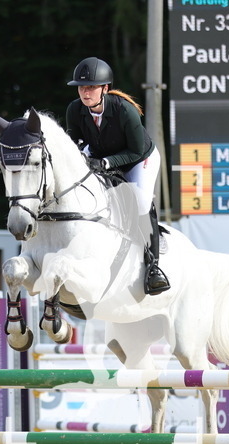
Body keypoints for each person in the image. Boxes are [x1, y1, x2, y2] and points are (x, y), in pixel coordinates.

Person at [64, 57, 169, 295]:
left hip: (140, 158)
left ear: (105, 89)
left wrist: (107, 162)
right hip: (102, 157)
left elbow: (135, 150)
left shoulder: (125, 110)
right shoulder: (74, 109)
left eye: (91, 87)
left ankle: (154, 268)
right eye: (82, 87)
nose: (85, 92)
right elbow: (75, 143)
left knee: (140, 199)